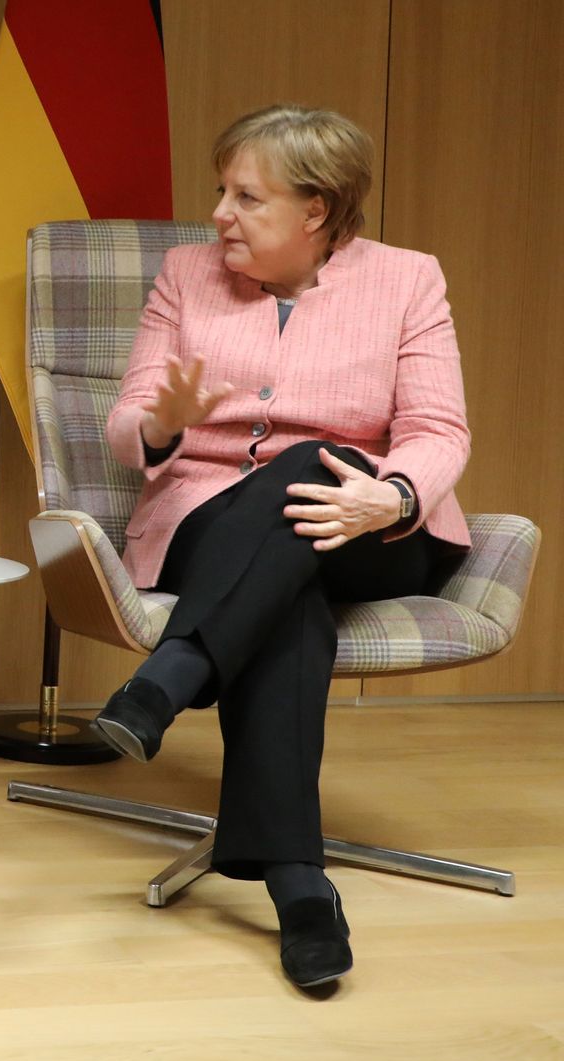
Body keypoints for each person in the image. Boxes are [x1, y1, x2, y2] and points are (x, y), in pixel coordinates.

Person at [96, 104, 470, 988]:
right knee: (284, 595)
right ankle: (301, 885)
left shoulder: (408, 280)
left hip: (372, 523)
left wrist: (392, 495)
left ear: (316, 211)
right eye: (221, 190)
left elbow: (437, 429)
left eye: (245, 197)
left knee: (311, 470)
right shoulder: (186, 275)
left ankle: (175, 671)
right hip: (210, 520)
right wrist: (161, 423)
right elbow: (127, 425)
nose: (219, 212)